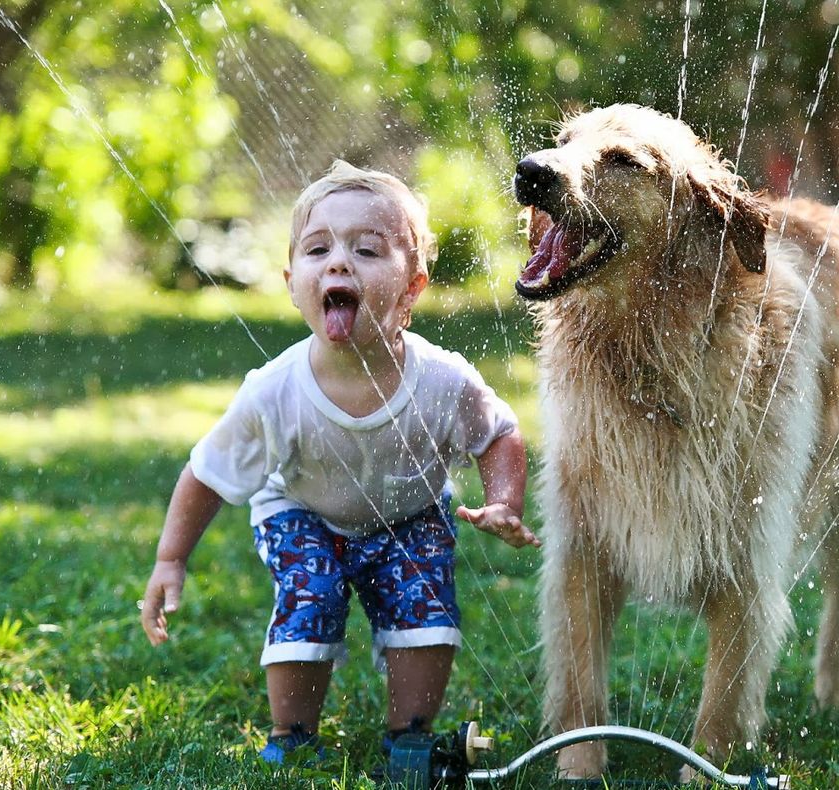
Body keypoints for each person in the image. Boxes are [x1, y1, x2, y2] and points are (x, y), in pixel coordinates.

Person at [139, 160, 539, 764]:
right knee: (313, 592)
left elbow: (498, 434)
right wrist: (170, 559)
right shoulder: (273, 391)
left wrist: (505, 500)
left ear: (412, 287)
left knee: (426, 606)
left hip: (410, 513)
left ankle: (410, 736)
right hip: (302, 511)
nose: (338, 263)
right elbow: (207, 473)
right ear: (291, 282)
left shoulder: (442, 380)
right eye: (317, 249)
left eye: (367, 250)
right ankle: (293, 736)